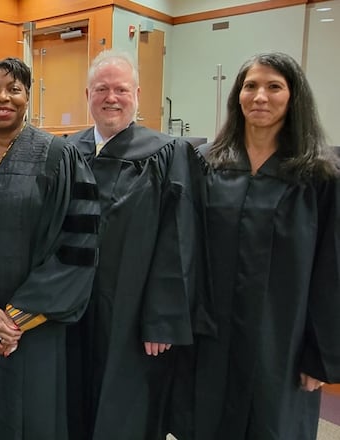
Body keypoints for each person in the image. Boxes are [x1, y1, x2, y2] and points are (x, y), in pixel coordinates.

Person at [179, 52, 340, 440]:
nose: (260, 97)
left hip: (281, 338)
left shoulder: (319, 174)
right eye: (250, 86)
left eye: (274, 87)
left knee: (272, 425)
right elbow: (188, 250)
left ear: (293, 96)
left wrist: (320, 354)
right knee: (208, 422)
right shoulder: (208, 164)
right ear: (237, 95)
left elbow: (331, 268)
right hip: (213, 331)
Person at [0, 57, 99, 440]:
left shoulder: (59, 156)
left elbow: (78, 243)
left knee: (34, 419)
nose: (2, 98)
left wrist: (14, 322)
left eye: (13, 89)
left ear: (28, 94)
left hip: (35, 327)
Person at [64, 49, 199, 439]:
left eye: (121, 89)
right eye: (102, 88)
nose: (111, 97)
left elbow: (179, 240)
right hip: (71, 305)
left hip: (133, 310)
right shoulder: (64, 151)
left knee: (127, 404)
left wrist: (163, 318)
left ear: (137, 94)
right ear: (87, 93)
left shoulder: (167, 153)